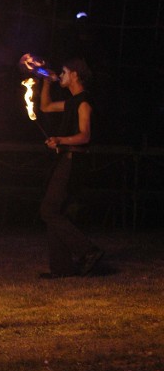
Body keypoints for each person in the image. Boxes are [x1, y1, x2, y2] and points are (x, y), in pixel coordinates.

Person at [39, 57, 104, 278]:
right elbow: (45, 106)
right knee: (56, 212)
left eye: (64, 72)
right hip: (66, 159)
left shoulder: (83, 102)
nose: (62, 76)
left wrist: (60, 139)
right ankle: (61, 268)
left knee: (48, 210)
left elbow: (85, 135)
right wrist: (46, 81)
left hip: (74, 161)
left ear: (75, 74)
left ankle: (89, 250)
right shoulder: (71, 102)